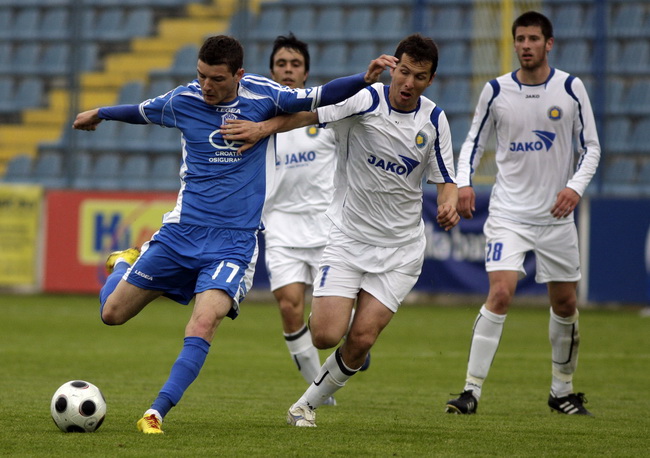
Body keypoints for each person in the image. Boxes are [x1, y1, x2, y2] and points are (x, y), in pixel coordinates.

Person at [72, 34, 397, 434]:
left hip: (233, 242)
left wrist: (364, 78)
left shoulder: (264, 95)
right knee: (112, 314)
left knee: (204, 323)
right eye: (202, 76)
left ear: (238, 75)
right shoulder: (184, 99)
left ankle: (156, 412)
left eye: (217, 79)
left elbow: (321, 96)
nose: (207, 86)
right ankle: (124, 264)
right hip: (181, 233)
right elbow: (140, 110)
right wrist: (100, 112)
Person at [222, 33, 460, 427]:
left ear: (430, 80)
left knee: (363, 339)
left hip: (401, 249)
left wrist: (449, 202)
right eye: (403, 72)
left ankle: (305, 405)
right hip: (348, 239)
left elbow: (445, 178)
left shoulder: (434, 120)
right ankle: (343, 331)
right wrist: (262, 129)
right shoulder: (364, 100)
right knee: (325, 334)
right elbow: (307, 117)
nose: (407, 83)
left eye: (419, 77)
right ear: (392, 66)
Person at [445, 11, 601, 416]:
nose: (526, 45)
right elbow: (473, 144)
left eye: (534, 38)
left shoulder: (570, 88)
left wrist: (573, 187)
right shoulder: (496, 91)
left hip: (555, 217)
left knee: (565, 304)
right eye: (520, 39)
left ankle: (561, 391)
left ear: (549, 43)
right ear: (514, 43)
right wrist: (464, 182)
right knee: (500, 293)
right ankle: (470, 391)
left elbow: (592, 148)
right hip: (509, 214)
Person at [262, 34, 365, 404]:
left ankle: (354, 341)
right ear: (271, 70)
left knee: (332, 323)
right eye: (281, 64)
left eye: (295, 65)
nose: (287, 70)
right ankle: (321, 395)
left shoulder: (323, 116)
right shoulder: (259, 116)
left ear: (306, 73)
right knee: (290, 306)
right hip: (279, 224)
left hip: (327, 226)